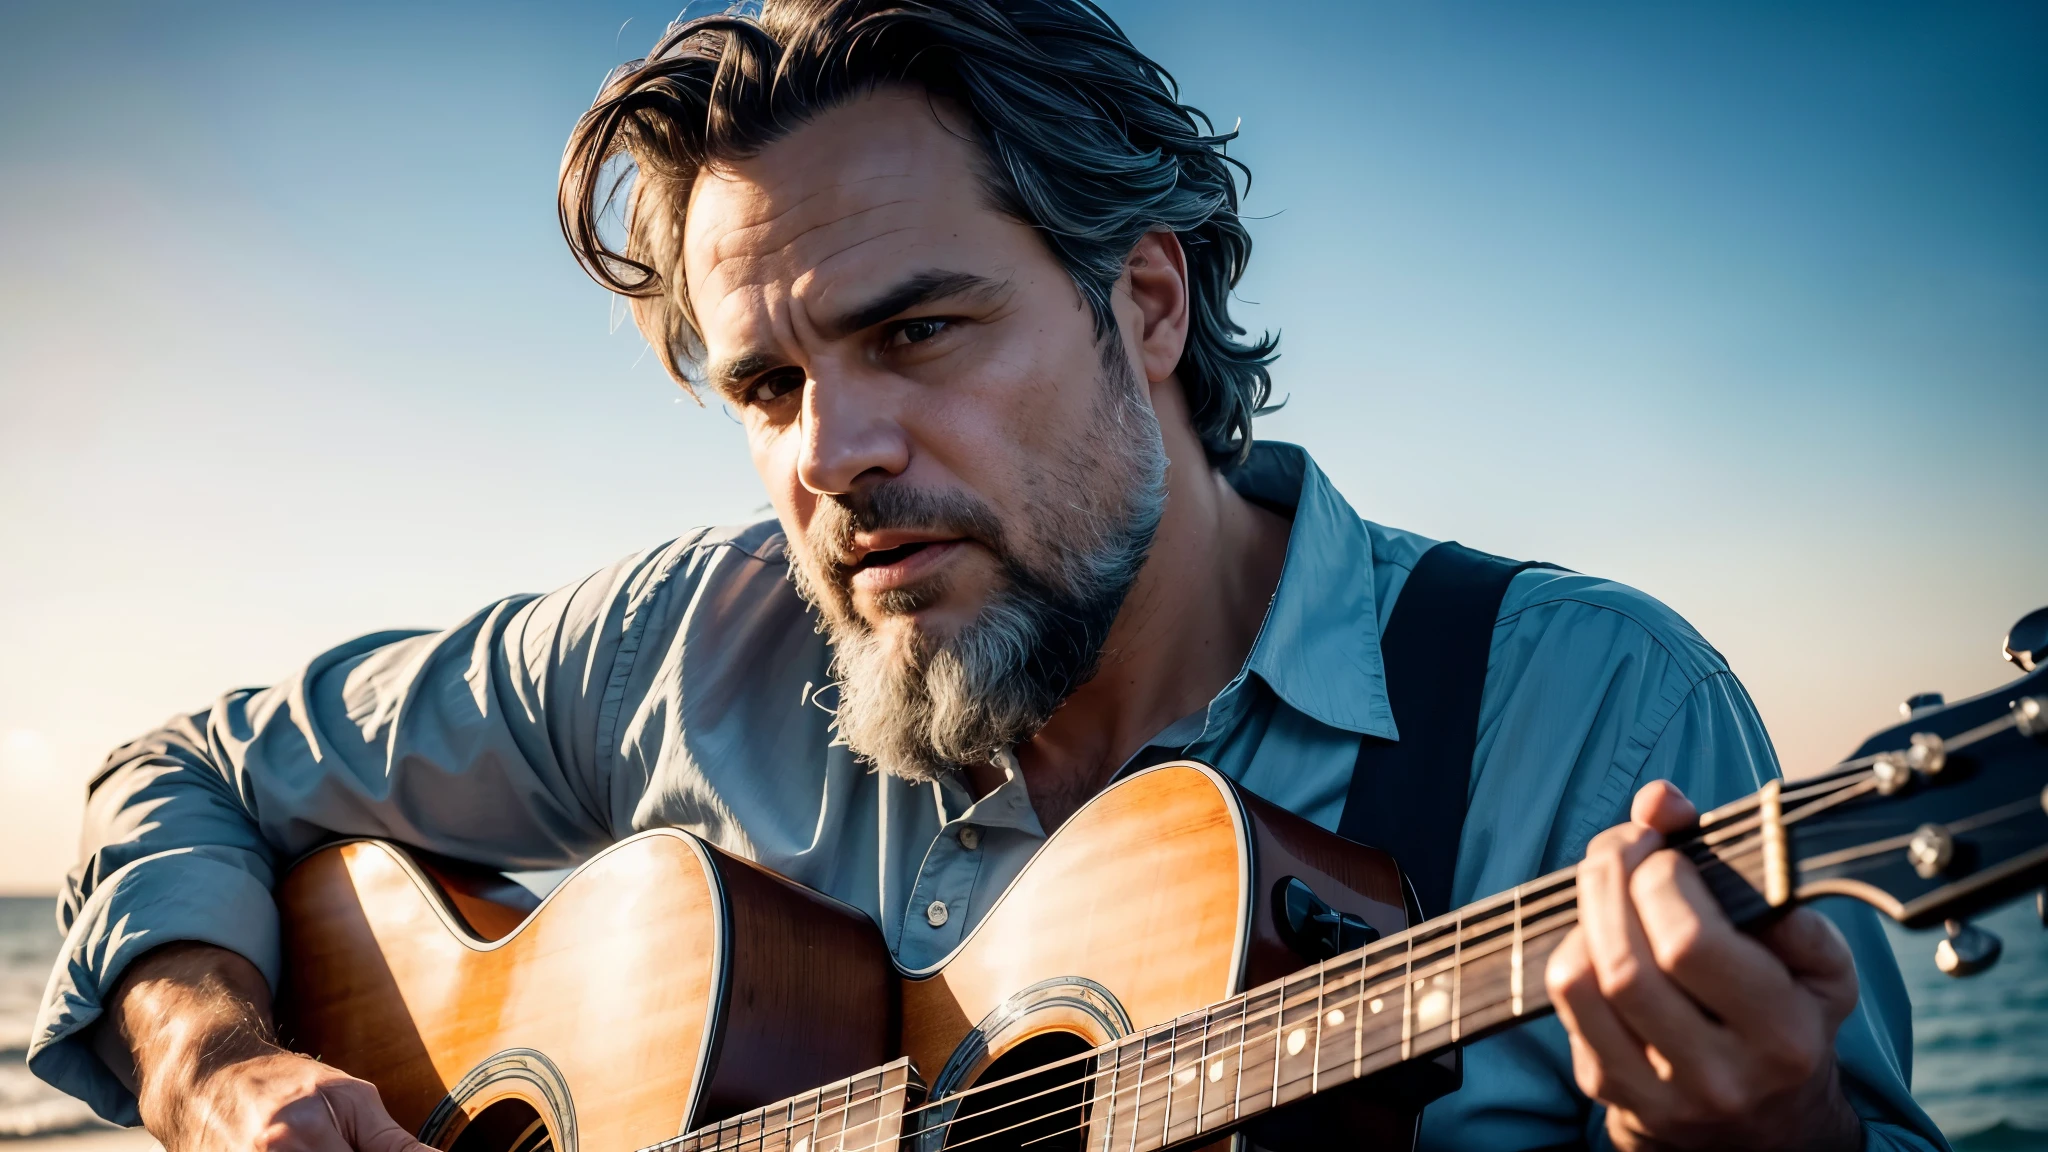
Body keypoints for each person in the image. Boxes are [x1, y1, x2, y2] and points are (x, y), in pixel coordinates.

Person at [29, 2, 1946, 1150]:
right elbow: (181, 770)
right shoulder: (682, 650)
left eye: (920, 334)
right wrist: (212, 1067)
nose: (830, 454)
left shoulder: (1590, 715)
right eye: (767, 383)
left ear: (1148, 300)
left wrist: (1770, 1139)